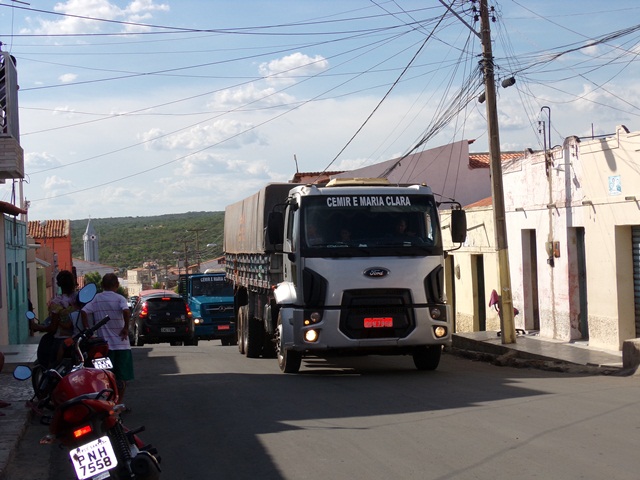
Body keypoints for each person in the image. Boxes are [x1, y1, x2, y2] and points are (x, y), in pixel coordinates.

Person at [81, 273, 133, 401]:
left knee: (104, 376)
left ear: (102, 285)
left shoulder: (97, 299)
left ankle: (107, 402)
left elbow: (84, 311)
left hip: (103, 347)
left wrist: (88, 330)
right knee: (121, 378)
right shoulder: (120, 298)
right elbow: (126, 311)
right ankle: (118, 403)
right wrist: (126, 328)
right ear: (117, 285)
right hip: (122, 346)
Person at [30, 270, 79, 366]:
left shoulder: (56, 303)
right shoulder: (79, 299)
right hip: (79, 338)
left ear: (58, 284)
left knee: (52, 365)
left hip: (61, 339)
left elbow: (53, 328)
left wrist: (38, 327)